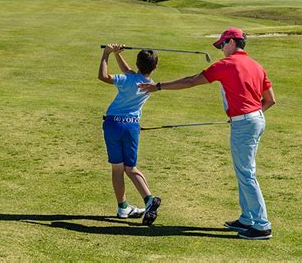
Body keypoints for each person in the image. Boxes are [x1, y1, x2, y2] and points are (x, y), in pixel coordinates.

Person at [138, 28, 276, 239]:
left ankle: (262, 225)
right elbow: (269, 100)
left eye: (222, 45)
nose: (221, 49)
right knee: (243, 171)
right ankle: (248, 218)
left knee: (247, 173)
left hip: (245, 123)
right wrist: (250, 115)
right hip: (256, 119)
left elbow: (192, 80)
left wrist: (158, 86)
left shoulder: (226, 64)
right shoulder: (256, 65)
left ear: (231, 42)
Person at [98, 43, 161, 226]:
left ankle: (122, 206)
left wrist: (106, 54)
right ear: (154, 67)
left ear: (137, 63)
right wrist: (118, 54)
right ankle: (148, 199)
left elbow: (103, 76)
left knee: (117, 168)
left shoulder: (127, 79)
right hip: (132, 127)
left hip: (112, 125)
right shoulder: (148, 85)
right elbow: (131, 73)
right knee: (131, 168)